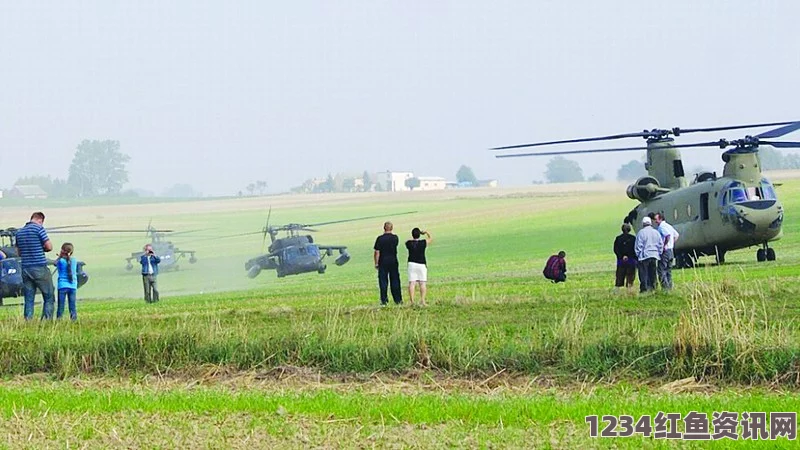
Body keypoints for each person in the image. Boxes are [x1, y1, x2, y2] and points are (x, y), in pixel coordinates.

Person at [15, 211, 55, 320]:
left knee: (29, 298)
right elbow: (49, 246)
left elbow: (19, 253)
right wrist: (41, 248)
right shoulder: (39, 229)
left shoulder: (19, 232)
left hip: (26, 268)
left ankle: (28, 320)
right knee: (49, 295)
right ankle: (46, 320)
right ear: (40, 220)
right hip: (39, 266)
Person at [374, 221, 402, 306]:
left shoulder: (380, 239)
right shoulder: (395, 238)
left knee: (383, 281)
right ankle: (398, 300)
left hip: (383, 261)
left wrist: (376, 263)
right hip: (393, 261)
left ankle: (384, 301)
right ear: (392, 228)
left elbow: (377, 252)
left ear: (384, 228)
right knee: (395, 280)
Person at [634, 216, 662, 293]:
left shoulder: (641, 233)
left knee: (643, 273)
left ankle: (644, 288)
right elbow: (660, 244)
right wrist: (659, 253)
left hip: (644, 256)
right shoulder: (656, 232)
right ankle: (653, 287)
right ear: (650, 223)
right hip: (654, 255)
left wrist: (638, 255)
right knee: (652, 273)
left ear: (643, 224)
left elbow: (638, 246)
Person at [406, 227, 432, 306]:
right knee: (422, 283)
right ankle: (423, 301)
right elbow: (430, 239)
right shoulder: (423, 243)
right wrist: (426, 232)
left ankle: (412, 301)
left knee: (412, 283)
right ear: (419, 235)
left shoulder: (409, 243)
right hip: (421, 264)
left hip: (412, 264)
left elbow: (407, 241)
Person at [654, 213, 679, 291]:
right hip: (671, 251)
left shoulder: (662, 227)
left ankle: (665, 288)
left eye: (656, 219)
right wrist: (671, 244)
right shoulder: (669, 226)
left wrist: (664, 245)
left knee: (661, 270)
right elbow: (676, 235)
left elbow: (667, 235)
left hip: (665, 252)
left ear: (660, 219)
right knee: (669, 270)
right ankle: (669, 287)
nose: (655, 221)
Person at [54, 243, 79, 321]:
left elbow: (55, 263)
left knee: (61, 305)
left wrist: (59, 256)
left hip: (62, 285)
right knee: (72, 305)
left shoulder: (60, 261)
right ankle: (73, 319)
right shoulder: (74, 260)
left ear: (62, 250)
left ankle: (59, 320)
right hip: (73, 285)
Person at [613, 223, 637, 291]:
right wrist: (629, 256)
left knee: (620, 276)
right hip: (631, 261)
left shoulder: (618, 238)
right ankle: (629, 289)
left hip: (621, 261)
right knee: (630, 277)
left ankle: (618, 291)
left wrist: (622, 256)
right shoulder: (633, 238)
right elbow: (635, 249)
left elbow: (616, 249)